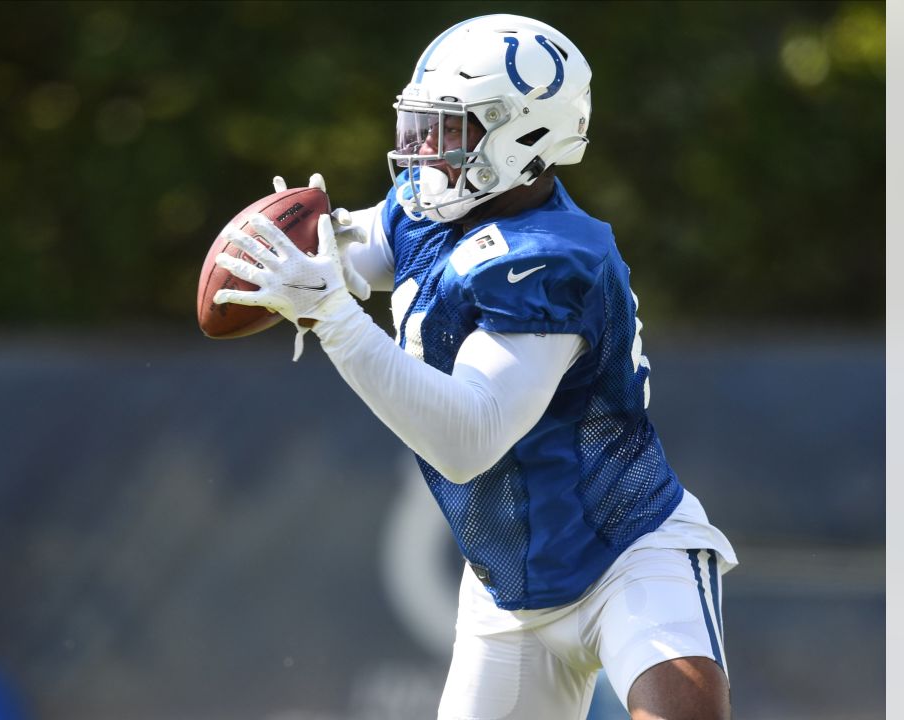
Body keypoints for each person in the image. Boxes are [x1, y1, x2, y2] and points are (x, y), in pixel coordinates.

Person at [214, 14, 737, 720]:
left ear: (526, 136)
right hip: (507, 585)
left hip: (625, 548)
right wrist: (303, 259)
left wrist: (334, 316)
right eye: (423, 124)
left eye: (451, 128)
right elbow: (354, 254)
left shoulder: (552, 257)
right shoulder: (428, 208)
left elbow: (469, 440)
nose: (426, 148)